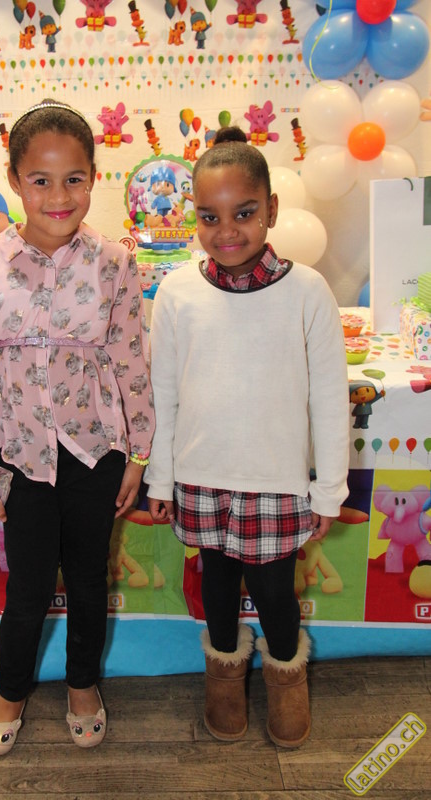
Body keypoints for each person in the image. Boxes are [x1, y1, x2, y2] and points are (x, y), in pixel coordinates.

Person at [0, 99, 154, 756]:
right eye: (40, 180)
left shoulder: (115, 265)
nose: (58, 196)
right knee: (29, 588)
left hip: (96, 454)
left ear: (94, 178)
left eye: (74, 179)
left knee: (89, 580)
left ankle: (83, 684)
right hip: (22, 459)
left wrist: (138, 458)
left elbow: (132, 364)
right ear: (15, 181)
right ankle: (11, 691)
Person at [146, 126, 349, 748]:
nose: (226, 230)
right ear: (194, 216)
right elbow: (163, 395)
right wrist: (160, 480)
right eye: (209, 216)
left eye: (244, 212)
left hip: (277, 481)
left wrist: (329, 489)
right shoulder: (177, 291)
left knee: (275, 595)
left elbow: (328, 398)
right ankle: (224, 680)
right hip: (200, 476)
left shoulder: (308, 290)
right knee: (216, 588)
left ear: (272, 210)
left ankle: (287, 680)